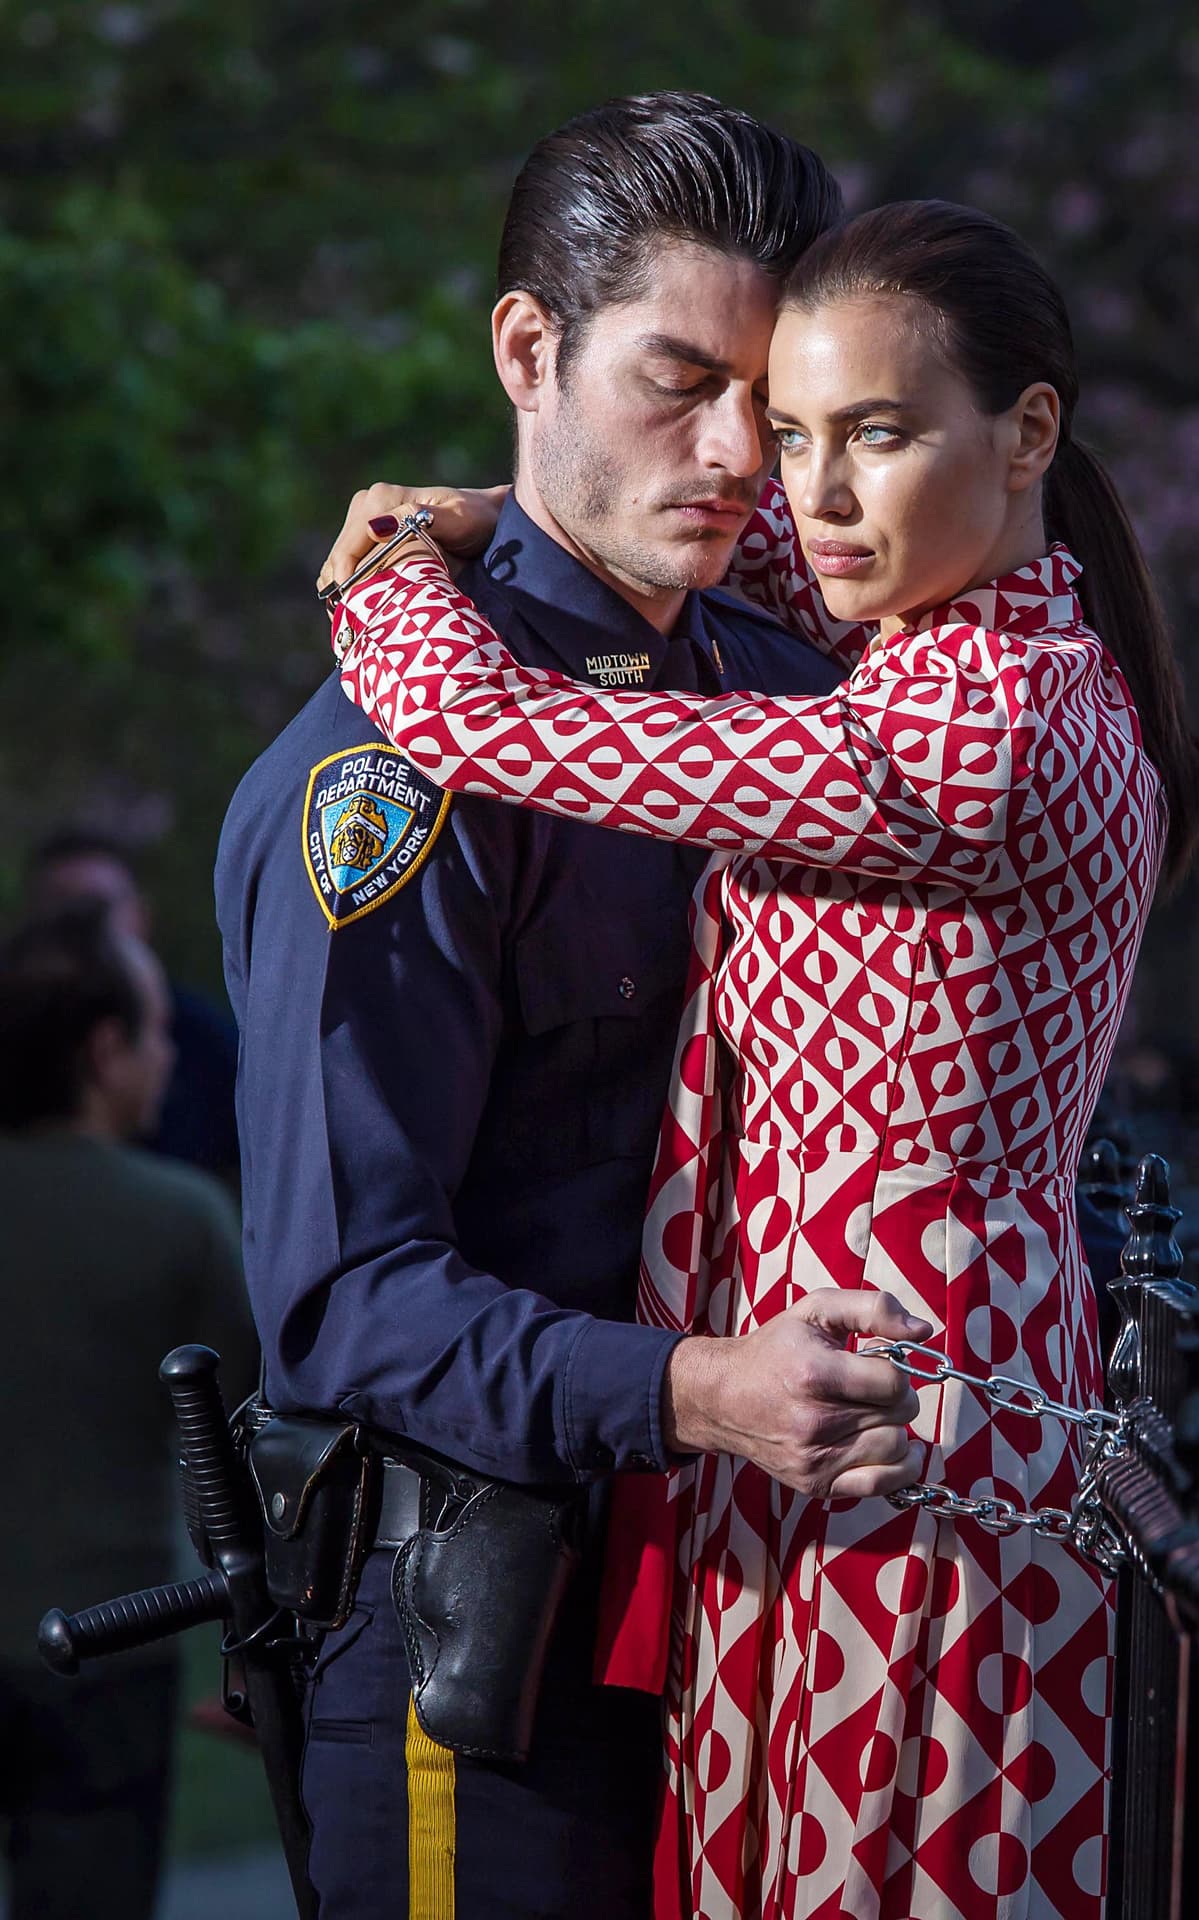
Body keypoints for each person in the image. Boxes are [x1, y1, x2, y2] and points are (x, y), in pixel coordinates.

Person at [321, 200, 1199, 1920]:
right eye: (793, 432)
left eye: (873, 433)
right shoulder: (956, 626)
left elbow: (486, 728)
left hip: (903, 1436)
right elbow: (711, 540)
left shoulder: (982, 721)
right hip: (829, 1403)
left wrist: (390, 564)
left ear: (1029, 432)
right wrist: (500, 509)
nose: (809, 488)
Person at [217, 94, 927, 1920]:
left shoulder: (791, 676)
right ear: (527, 349)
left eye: (760, 407)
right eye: (673, 383)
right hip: (491, 1647)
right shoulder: (395, 768)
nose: (733, 457)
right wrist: (696, 1390)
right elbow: (340, 1298)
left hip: (780, 1616)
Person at [0, 902, 255, 1920]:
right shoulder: (178, 1220)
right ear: (103, 1051)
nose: (166, 1054)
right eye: (153, 1030)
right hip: (104, 1650)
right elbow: (241, 1468)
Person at [26, 826, 240, 1183]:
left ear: (142, 917)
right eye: (62, 907)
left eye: (97, 908)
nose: (80, 929)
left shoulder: (210, 1043)